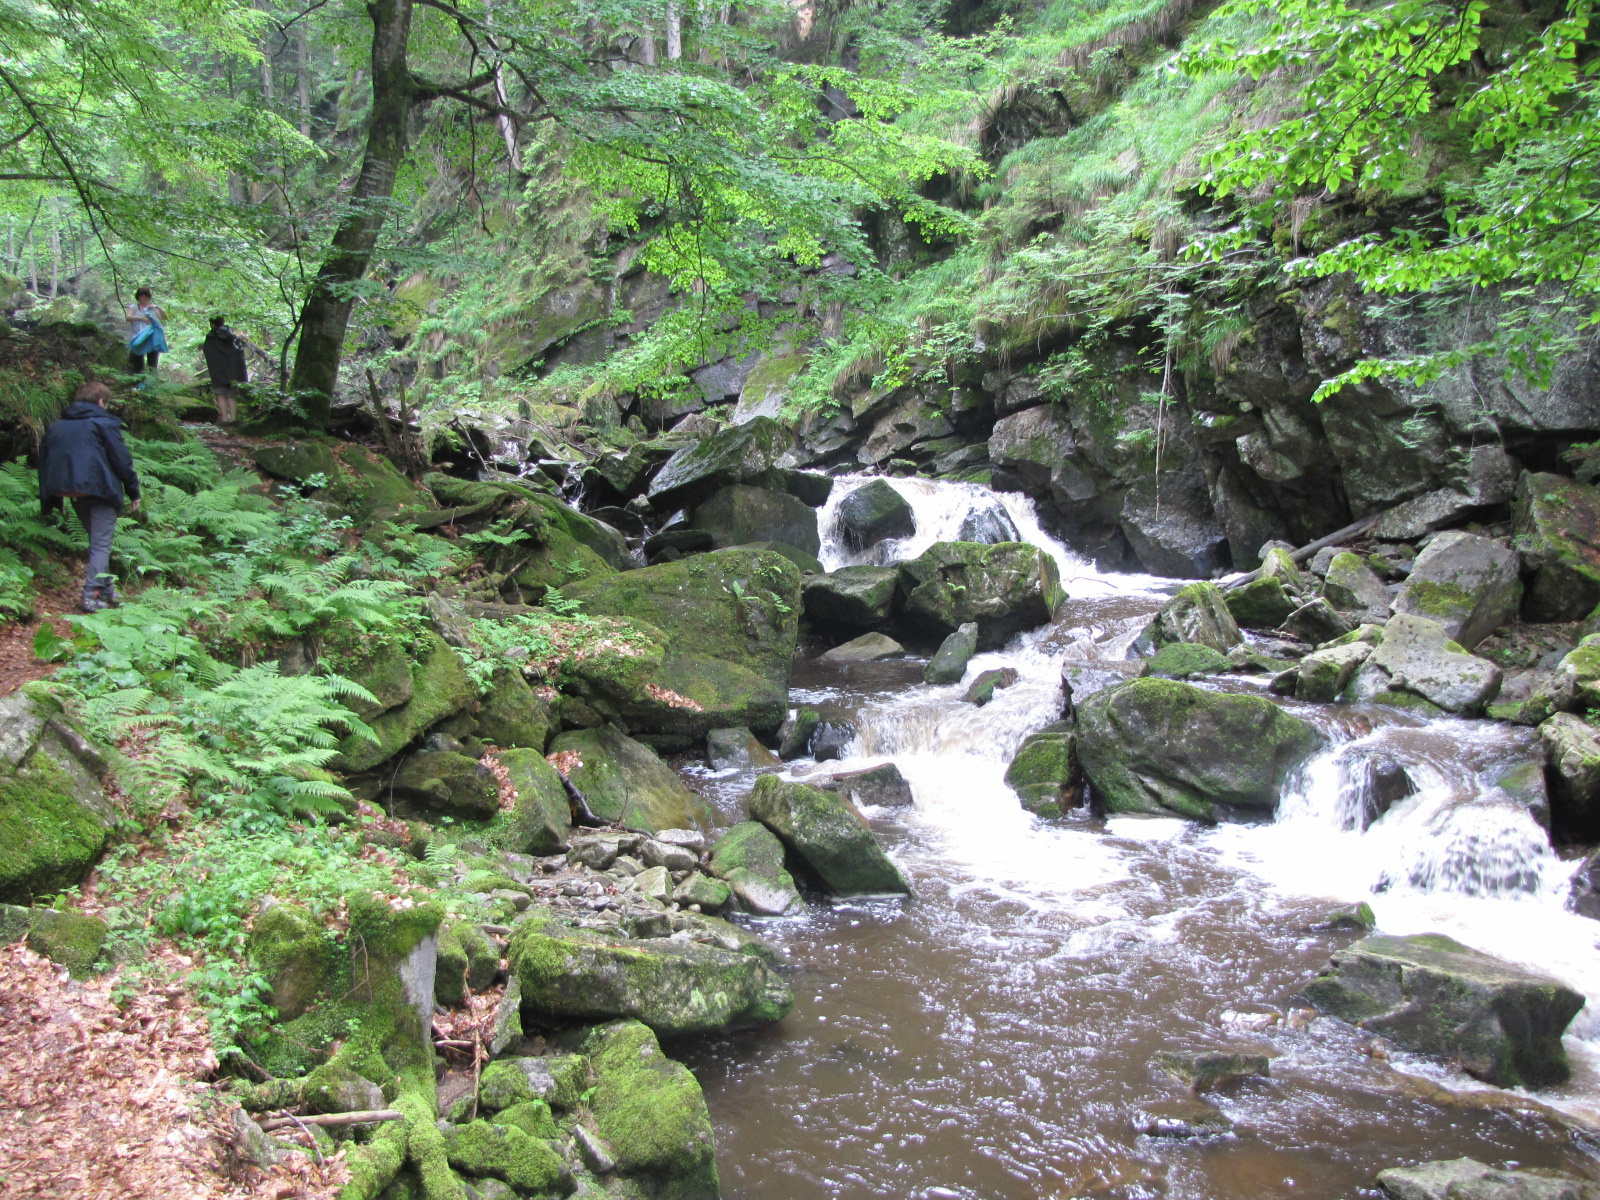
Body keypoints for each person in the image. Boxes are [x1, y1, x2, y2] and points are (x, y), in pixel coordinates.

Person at [37, 381, 142, 612]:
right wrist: (133, 490)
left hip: (70, 490)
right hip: (99, 489)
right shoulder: (103, 423)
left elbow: (43, 459)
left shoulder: (57, 426)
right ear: (100, 401)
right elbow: (121, 460)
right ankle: (91, 595)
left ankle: (108, 591)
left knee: (97, 542)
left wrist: (48, 496)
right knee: (101, 544)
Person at [201, 315, 248, 423]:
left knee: (221, 394)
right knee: (231, 396)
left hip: (218, 371)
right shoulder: (232, 336)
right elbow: (239, 354)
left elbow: (207, 351)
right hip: (234, 372)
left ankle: (225, 419)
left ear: (213, 324)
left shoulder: (211, 337)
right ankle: (233, 419)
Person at [126, 286, 168, 376]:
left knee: (152, 364)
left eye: (146, 296)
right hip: (137, 338)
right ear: (138, 297)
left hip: (151, 339)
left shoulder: (152, 308)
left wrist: (157, 307)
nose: (144, 298)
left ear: (149, 297)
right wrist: (141, 318)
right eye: (141, 296)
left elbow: (164, 317)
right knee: (137, 364)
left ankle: (152, 384)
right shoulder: (134, 307)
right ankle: (137, 384)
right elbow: (128, 317)